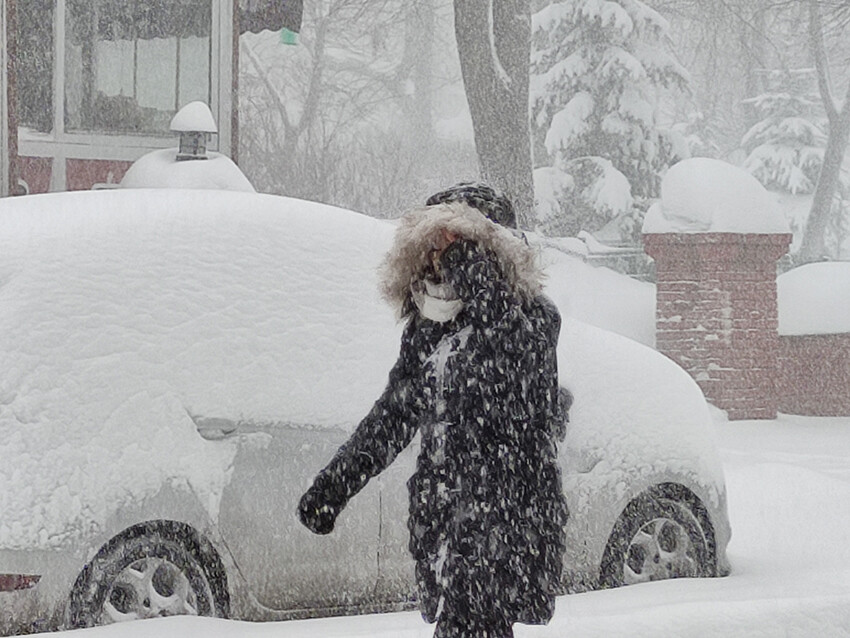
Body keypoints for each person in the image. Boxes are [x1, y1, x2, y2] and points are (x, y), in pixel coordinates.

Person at [297, 183, 570, 638]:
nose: (443, 261)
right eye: (436, 248)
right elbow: (394, 415)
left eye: (460, 249)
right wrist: (335, 485)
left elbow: (515, 361)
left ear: (492, 252)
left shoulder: (533, 318)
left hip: (503, 528)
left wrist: (470, 263)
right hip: (445, 525)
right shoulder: (429, 329)